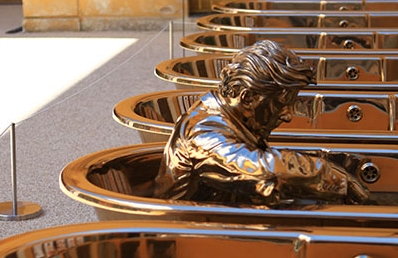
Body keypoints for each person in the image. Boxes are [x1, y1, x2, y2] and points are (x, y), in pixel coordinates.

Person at [154, 39, 369, 205]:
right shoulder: (203, 130)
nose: (287, 115)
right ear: (248, 98)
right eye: (281, 104)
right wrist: (328, 175)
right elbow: (258, 169)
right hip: (193, 240)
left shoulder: (232, 121)